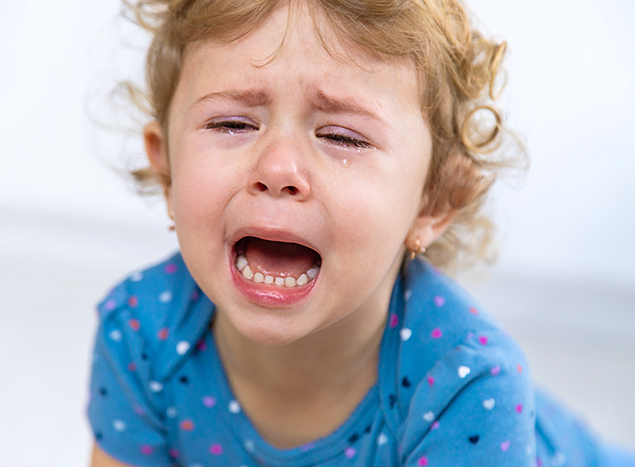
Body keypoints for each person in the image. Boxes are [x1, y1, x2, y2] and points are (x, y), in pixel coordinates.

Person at [86, 0, 633, 466]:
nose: (277, 168)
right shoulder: (140, 333)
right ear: (167, 169)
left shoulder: (466, 386)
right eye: (233, 124)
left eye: (343, 136)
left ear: (434, 200)